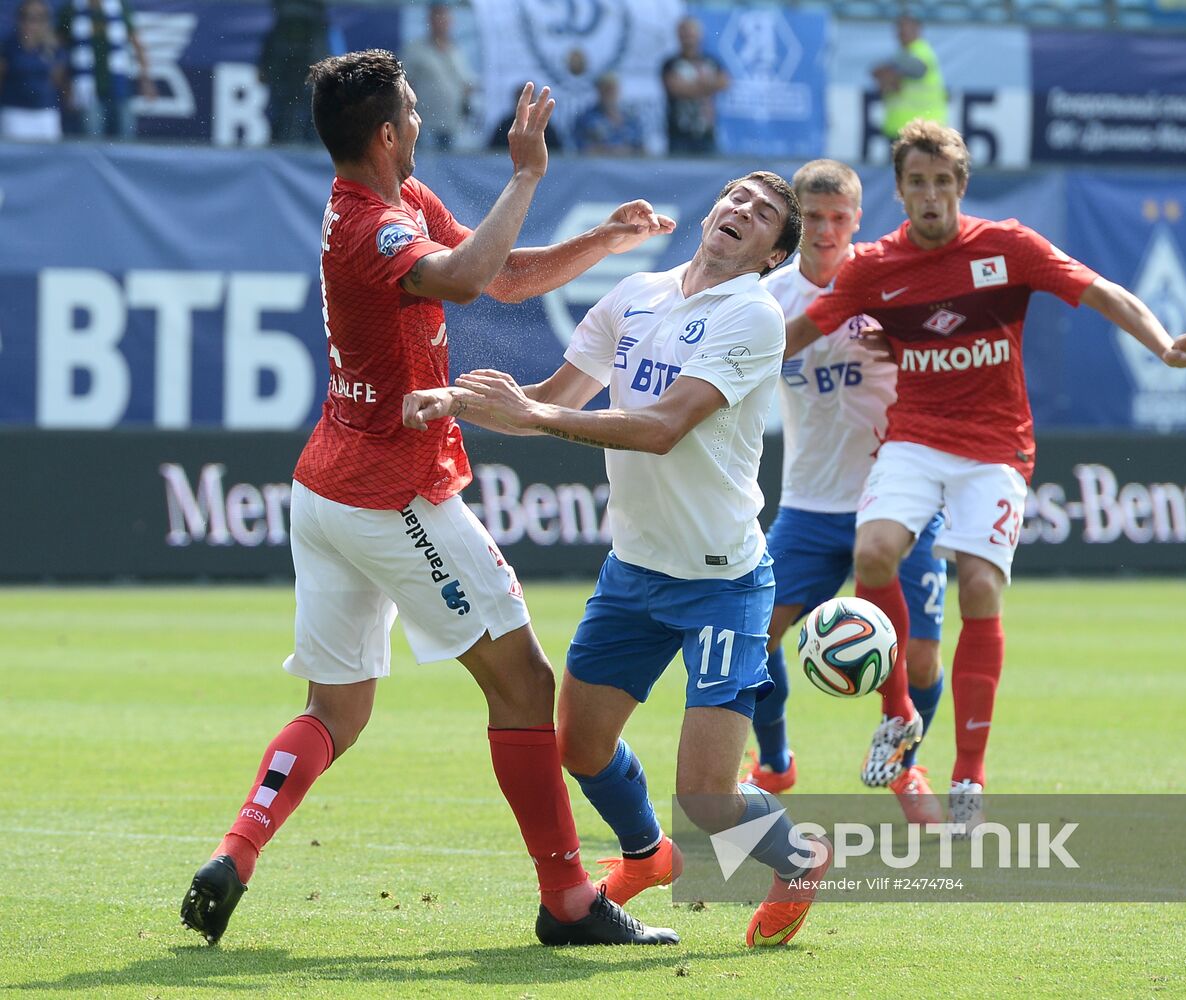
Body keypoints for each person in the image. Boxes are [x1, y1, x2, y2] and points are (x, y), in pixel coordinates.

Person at [179, 49, 680, 948]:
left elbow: (500, 274)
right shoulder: (366, 224)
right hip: (392, 492)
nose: (420, 124)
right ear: (385, 133)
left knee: (337, 711)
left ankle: (236, 850)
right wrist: (528, 173)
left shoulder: (394, 206)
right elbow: (454, 278)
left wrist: (602, 241)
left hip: (326, 489)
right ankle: (570, 901)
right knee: (525, 683)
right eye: (411, 113)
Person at [424, 171, 835, 948]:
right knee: (579, 744)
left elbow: (662, 426)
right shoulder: (636, 294)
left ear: (774, 253)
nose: (742, 210)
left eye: (765, 213)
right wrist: (450, 401)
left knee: (709, 803)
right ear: (713, 211)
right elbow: (553, 396)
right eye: (736, 196)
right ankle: (649, 857)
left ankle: (800, 855)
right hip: (636, 572)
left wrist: (537, 413)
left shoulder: (752, 315)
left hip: (721, 580)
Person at [785, 120, 1186, 831]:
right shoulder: (873, 268)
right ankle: (897, 722)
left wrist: (1165, 342)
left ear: (961, 185)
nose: (930, 196)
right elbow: (802, 329)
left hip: (995, 447)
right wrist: (723, 371)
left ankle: (968, 774)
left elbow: (1102, 291)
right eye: (916, 183)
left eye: (942, 182)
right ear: (900, 191)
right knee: (872, 551)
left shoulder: (1007, 247)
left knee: (981, 587)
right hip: (915, 438)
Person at [743, 159, 946, 826]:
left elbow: (945, 358)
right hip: (809, 503)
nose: (828, 230)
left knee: (918, 656)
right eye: (816, 217)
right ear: (798, 220)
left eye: (841, 217)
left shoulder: (888, 286)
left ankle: (907, 762)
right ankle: (774, 761)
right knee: (756, 638)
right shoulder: (769, 300)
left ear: (858, 219)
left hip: (897, 502)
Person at [56, 0, 155, 138]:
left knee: (127, 140)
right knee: (92, 142)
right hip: (87, 91)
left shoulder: (120, 7)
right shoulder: (71, 10)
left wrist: (146, 80)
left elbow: (137, 44)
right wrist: (65, 85)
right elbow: (59, 48)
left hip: (120, 88)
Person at [400, 1, 473, 152]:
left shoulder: (457, 51)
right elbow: (403, 85)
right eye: (437, 16)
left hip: (454, 126)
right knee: (428, 170)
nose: (442, 21)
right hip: (426, 125)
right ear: (429, 20)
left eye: (445, 16)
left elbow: (467, 83)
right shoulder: (415, 50)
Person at [260, 0, 327, 145]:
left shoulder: (319, 31)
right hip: (283, 40)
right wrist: (265, 64)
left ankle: (313, 145)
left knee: (314, 103)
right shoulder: (278, 30)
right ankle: (277, 143)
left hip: (312, 37)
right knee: (281, 105)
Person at [870, 15, 946, 142]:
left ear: (918, 30)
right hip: (901, 127)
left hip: (923, 129)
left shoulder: (921, 52)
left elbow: (917, 69)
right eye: (899, 29)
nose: (902, 33)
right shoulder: (902, 54)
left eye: (906, 28)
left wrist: (889, 70)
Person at [0, 0, 67, 142]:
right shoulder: (8, 46)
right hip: (14, 113)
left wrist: (48, 51)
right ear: (18, 20)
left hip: (45, 114)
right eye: (26, 17)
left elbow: (59, 82)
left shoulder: (53, 48)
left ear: (46, 21)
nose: (31, 24)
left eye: (38, 18)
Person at [661, 16, 727, 156]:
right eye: (684, 33)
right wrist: (707, 85)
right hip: (679, 134)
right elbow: (676, 89)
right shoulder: (670, 63)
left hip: (706, 133)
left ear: (699, 35)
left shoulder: (711, 60)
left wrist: (692, 85)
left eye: (691, 33)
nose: (688, 37)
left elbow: (725, 83)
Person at [572, 72, 644, 156]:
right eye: (606, 89)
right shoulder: (586, 120)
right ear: (599, 90)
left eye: (612, 88)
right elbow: (582, 149)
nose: (610, 93)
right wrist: (611, 151)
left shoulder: (631, 120)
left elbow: (641, 149)